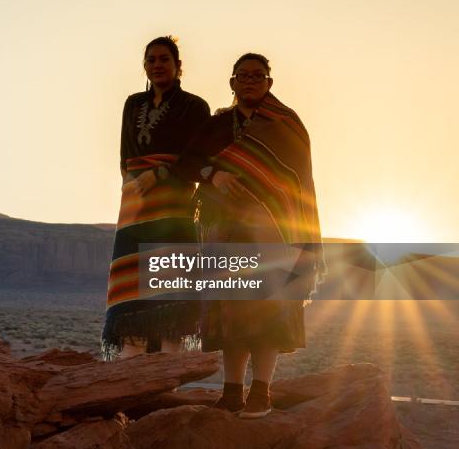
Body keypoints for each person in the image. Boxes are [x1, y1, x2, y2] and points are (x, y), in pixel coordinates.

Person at [171, 53, 325, 418]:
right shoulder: (218, 124)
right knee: (231, 314)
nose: (251, 80)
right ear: (232, 83)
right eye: (243, 75)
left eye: (258, 75)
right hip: (224, 230)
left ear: (270, 82)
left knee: (268, 311)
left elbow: (299, 184)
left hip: (274, 233)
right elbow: (186, 164)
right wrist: (214, 175)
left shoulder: (287, 126)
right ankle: (231, 392)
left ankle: (262, 392)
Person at [101, 36, 210, 360]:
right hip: (135, 205)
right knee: (132, 287)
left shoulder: (194, 106)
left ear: (178, 66)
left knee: (170, 289)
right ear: (144, 66)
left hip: (174, 207)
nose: (157, 65)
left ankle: (166, 376)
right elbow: (124, 155)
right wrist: (131, 185)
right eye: (151, 60)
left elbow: (199, 158)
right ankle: (129, 376)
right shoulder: (132, 103)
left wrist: (158, 175)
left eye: (164, 59)